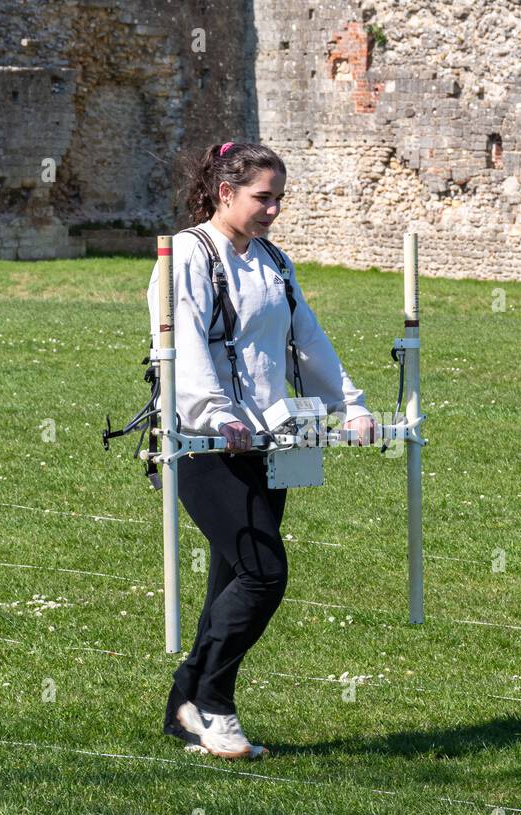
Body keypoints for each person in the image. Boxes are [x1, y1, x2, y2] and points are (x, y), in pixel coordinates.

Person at [146, 141, 378, 760]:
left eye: (279, 199)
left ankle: (182, 707)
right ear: (226, 192)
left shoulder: (274, 260)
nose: (274, 209)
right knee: (261, 571)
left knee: (230, 577)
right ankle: (212, 705)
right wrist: (215, 414)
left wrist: (349, 405)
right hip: (202, 441)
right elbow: (184, 340)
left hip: (268, 440)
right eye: (262, 197)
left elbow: (306, 338)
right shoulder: (185, 256)